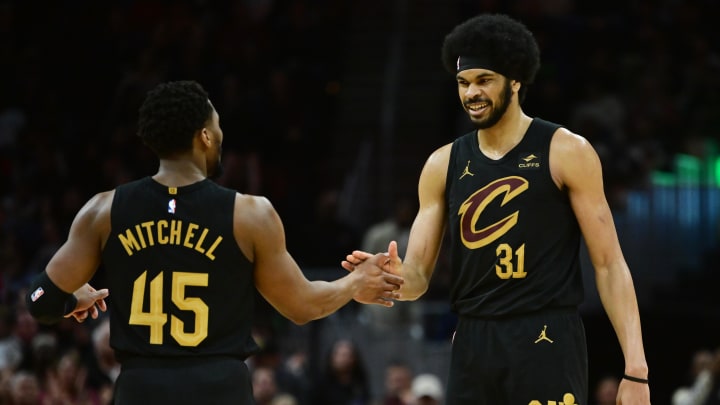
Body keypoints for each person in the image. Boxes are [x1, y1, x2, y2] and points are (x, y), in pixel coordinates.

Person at [23, 80, 403, 405]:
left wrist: (73, 299)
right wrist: (354, 283)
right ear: (205, 136)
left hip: (141, 387)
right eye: (217, 125)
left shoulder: (103, 210)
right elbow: (301, 306)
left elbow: (40, 300)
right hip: (219, 387)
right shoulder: (249, 213)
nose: (220, 135)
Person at [343, 13, 650, 404]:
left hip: (547, 334)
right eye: (463, 83)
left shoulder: (567, 150)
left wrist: (636, 370)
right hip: (474, 338)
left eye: (484, 80)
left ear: (516, 80)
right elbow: (417, 277)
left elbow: (609, 265)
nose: (472, 93)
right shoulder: (442, 164)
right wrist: (385, 283)